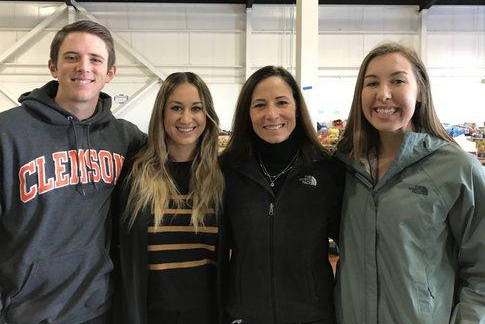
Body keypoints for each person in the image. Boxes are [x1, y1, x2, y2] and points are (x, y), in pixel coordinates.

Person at [0, 20, 147, 324]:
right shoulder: (1, 135)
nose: (84, 67)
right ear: (53, 66)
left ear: (110, 73)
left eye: (95, 59)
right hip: (26, 314)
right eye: (72, 57)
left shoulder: (126, 138)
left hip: (102, 310)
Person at [335, 42, 485, 324]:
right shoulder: (346, 168)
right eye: (372, 83)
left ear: (420, 92)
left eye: (398, 81)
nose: (383, 94)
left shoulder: (456, 169)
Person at [220, 66, 344, 324]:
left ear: (297, 108)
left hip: (312, 316)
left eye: (281, 102)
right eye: (260, 105)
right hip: (245, 316)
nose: (272, 114)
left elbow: (354, 246)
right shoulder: (227, 172)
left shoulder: (326, 171)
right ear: (248, 113)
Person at [117, 72, 224, 324]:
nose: (186, 118)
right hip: (149, 314)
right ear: (162, 113)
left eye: (196, 108)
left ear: (207, 115)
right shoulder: (136, 173)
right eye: (176, 108)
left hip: (206, 314)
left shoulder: (220, 177)